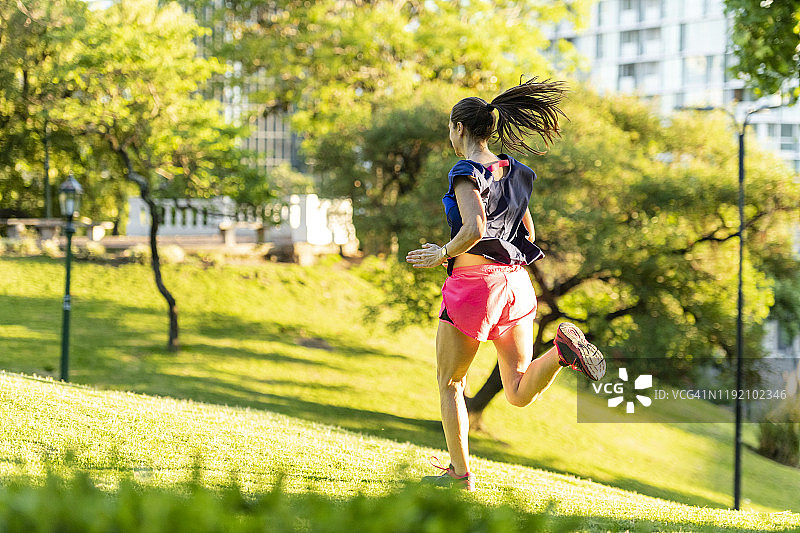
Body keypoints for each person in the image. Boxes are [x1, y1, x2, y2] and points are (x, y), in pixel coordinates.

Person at [405, 78, 606, 492]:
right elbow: (528, 232)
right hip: (517, 285)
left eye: (449, 127)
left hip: (476, 287)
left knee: (450, 382)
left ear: (459, 128)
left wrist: (441, 252)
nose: (449, 134)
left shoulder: (465, 171)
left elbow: (475, 227)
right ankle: (562, 353)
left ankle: (459, 476)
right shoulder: (514, 170)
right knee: (516, 391)